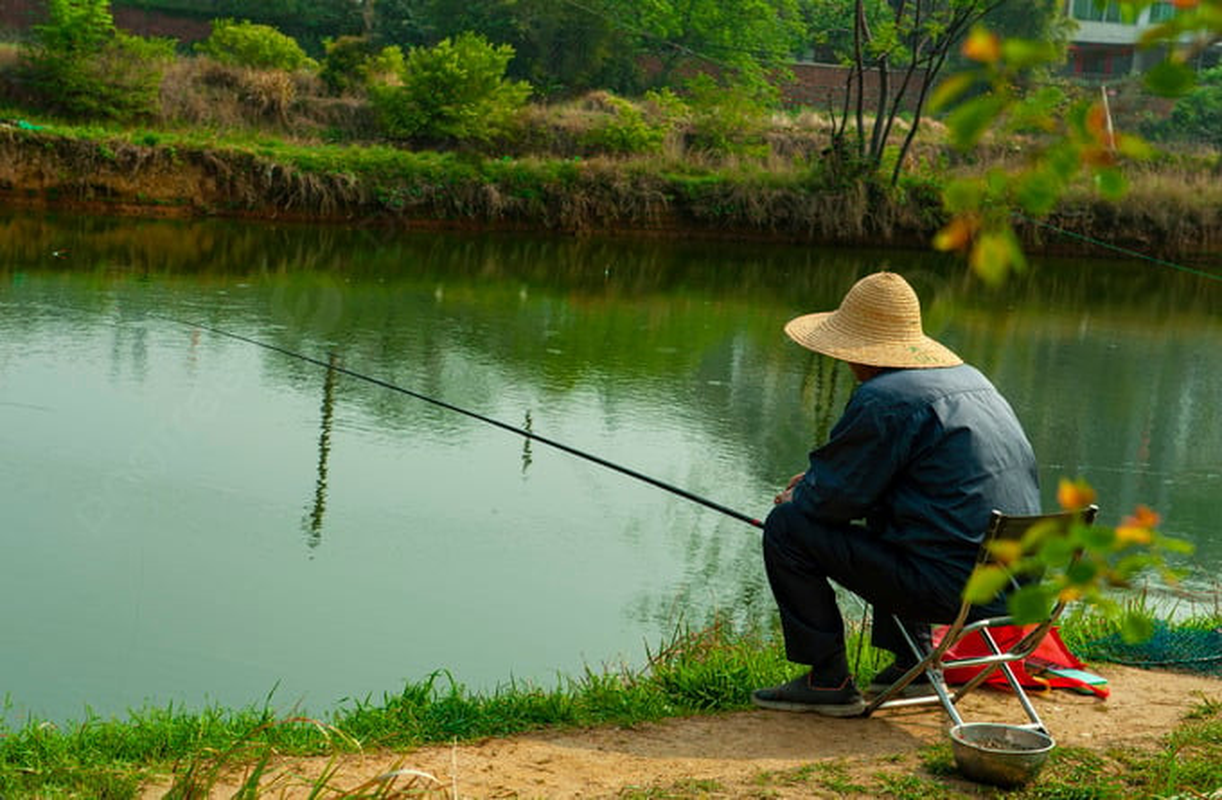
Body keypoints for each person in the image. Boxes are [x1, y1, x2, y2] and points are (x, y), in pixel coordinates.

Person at [751, 271, 1040, 717]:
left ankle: (827, 680)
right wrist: (818, 481)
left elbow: (830, 504)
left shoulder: (883, 397)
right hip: (1016, 584)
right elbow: (893, 479)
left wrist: (800, 494)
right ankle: (917, 665)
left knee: (787, 528)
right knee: (904, 519)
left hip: (954, 590)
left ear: (857, 352)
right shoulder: (972, 381)